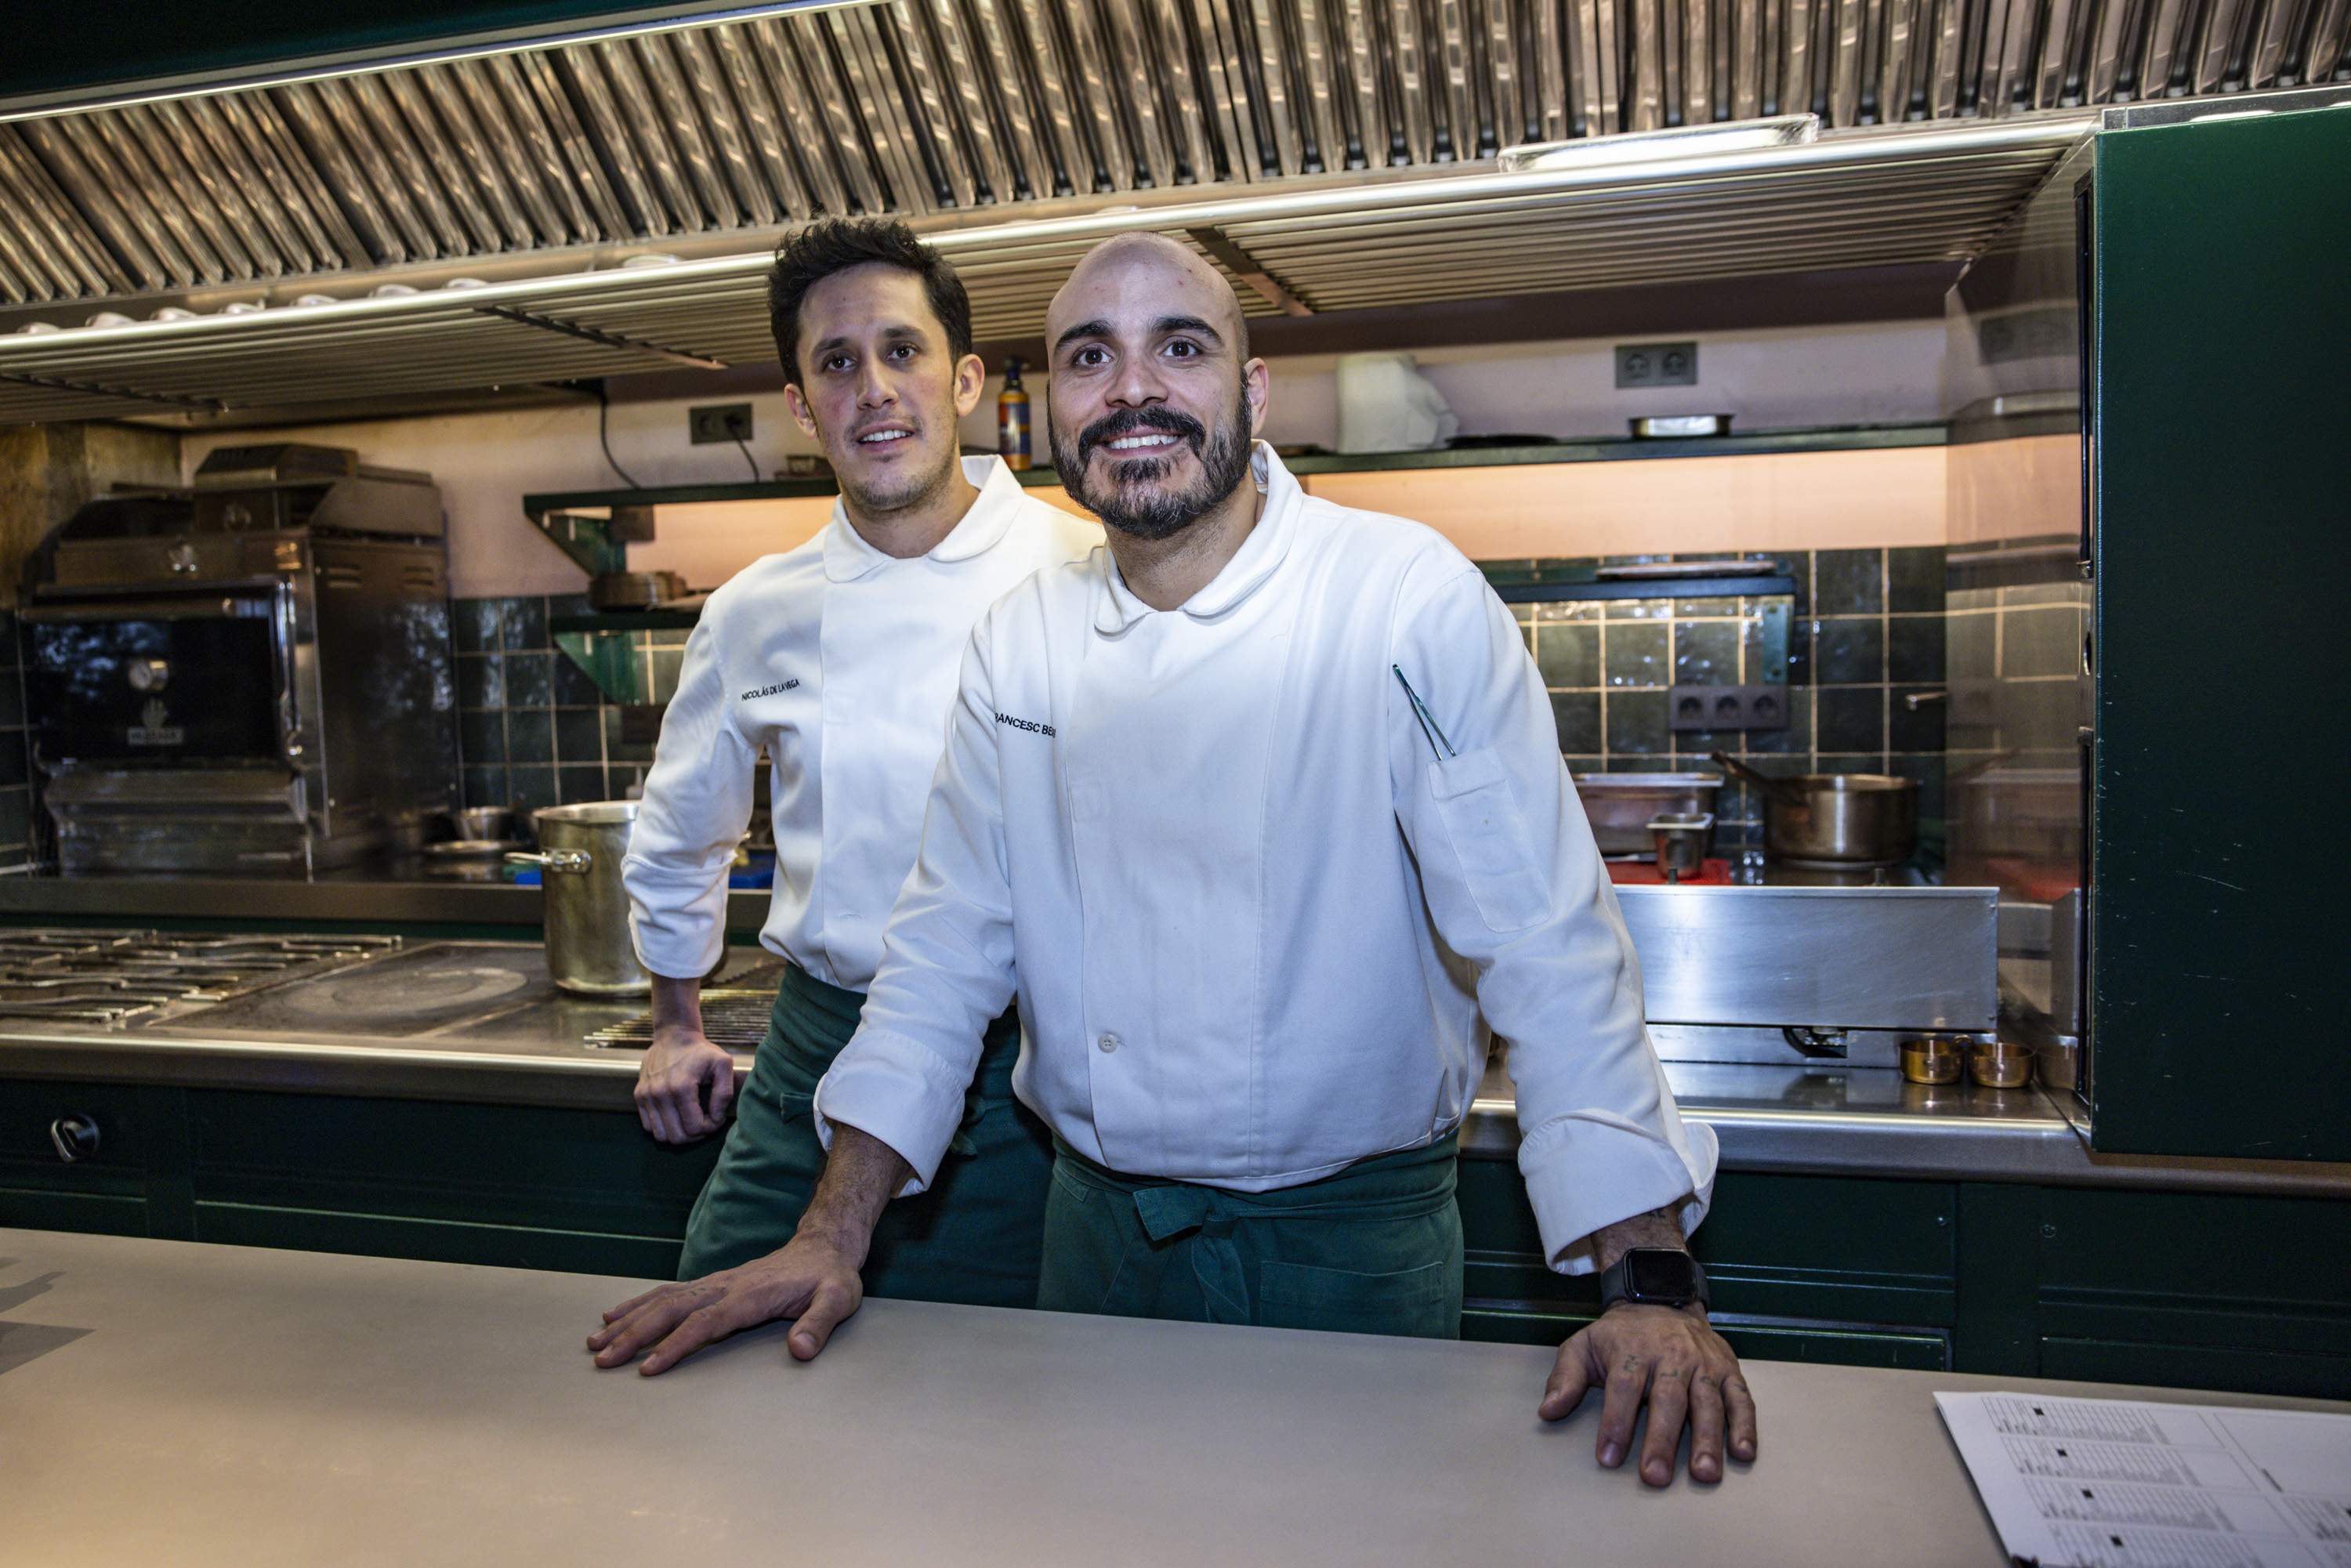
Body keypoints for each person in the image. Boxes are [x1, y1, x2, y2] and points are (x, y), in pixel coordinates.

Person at [592, 234, 1756, 1489]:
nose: (1134, 389)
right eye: (1092, 357)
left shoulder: (1400, 600)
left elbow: (1544, 945)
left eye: (1180, 348)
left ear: (1252, 397)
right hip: (1093, 1242)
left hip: (1346, 1256)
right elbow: (937, 964)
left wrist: (1647, 1279)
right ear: (1049, 413)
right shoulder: (1023, 641)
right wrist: (832, 1232)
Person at [610, 218, 1097, 1307]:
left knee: (1006, 1410)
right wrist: (674, 1026)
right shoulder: (754, 611)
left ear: (963, 378)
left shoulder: (1086, 572)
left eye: (902, 351)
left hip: (1025, 1082)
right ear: (800, 405)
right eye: (837, 363)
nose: (873, 387)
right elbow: (683, 830)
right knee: (716, 1346)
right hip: (815, 1055)